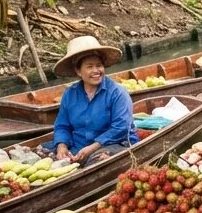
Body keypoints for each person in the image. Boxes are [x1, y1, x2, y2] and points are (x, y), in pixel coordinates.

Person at [46, 36, 137, 167]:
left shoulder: (117, 93)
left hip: (114, 143)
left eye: (99, 65)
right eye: (89, 67)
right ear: (78, 71)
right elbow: (62, 126)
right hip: (79, 145)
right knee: (43, 154)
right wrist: (62, 146)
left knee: (96, 162)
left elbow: (121, 128)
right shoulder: (70, 94)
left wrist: (92, 148)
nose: (96, 71)